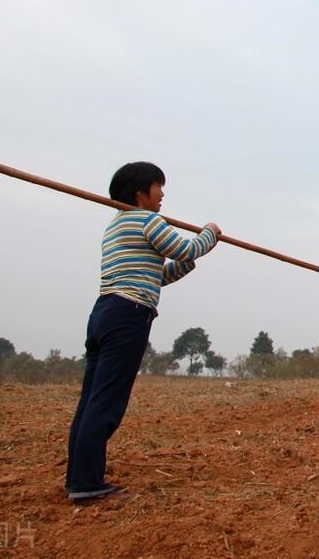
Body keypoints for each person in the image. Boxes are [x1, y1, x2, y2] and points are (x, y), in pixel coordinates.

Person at [65, 161, 220, 502]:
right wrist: (210, 233)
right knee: (106, 404)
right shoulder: (148, 220)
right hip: (128, 315)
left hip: (105, 311)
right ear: (140, 192)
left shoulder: (116, 226)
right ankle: (88, 485)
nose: (162, 194)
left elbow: (159, 274)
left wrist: (190, 262)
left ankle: (79, 479)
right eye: (157, 186)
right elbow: (186, 248)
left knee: (90, 401)